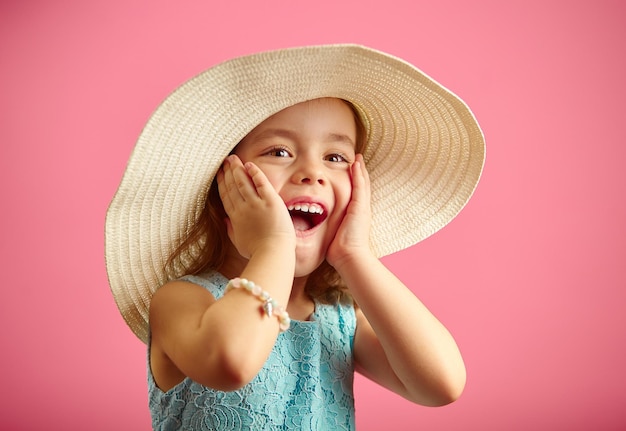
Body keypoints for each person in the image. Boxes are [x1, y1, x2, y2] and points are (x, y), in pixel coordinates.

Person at [105, 44, 485, 430]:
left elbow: (442, 384)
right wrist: (273, 245)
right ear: (225, 190)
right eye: (280, 151)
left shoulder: (339, 319)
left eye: (335, 158)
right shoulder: (183, 300)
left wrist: (356, 255)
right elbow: (231, 362)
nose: (312, 172)